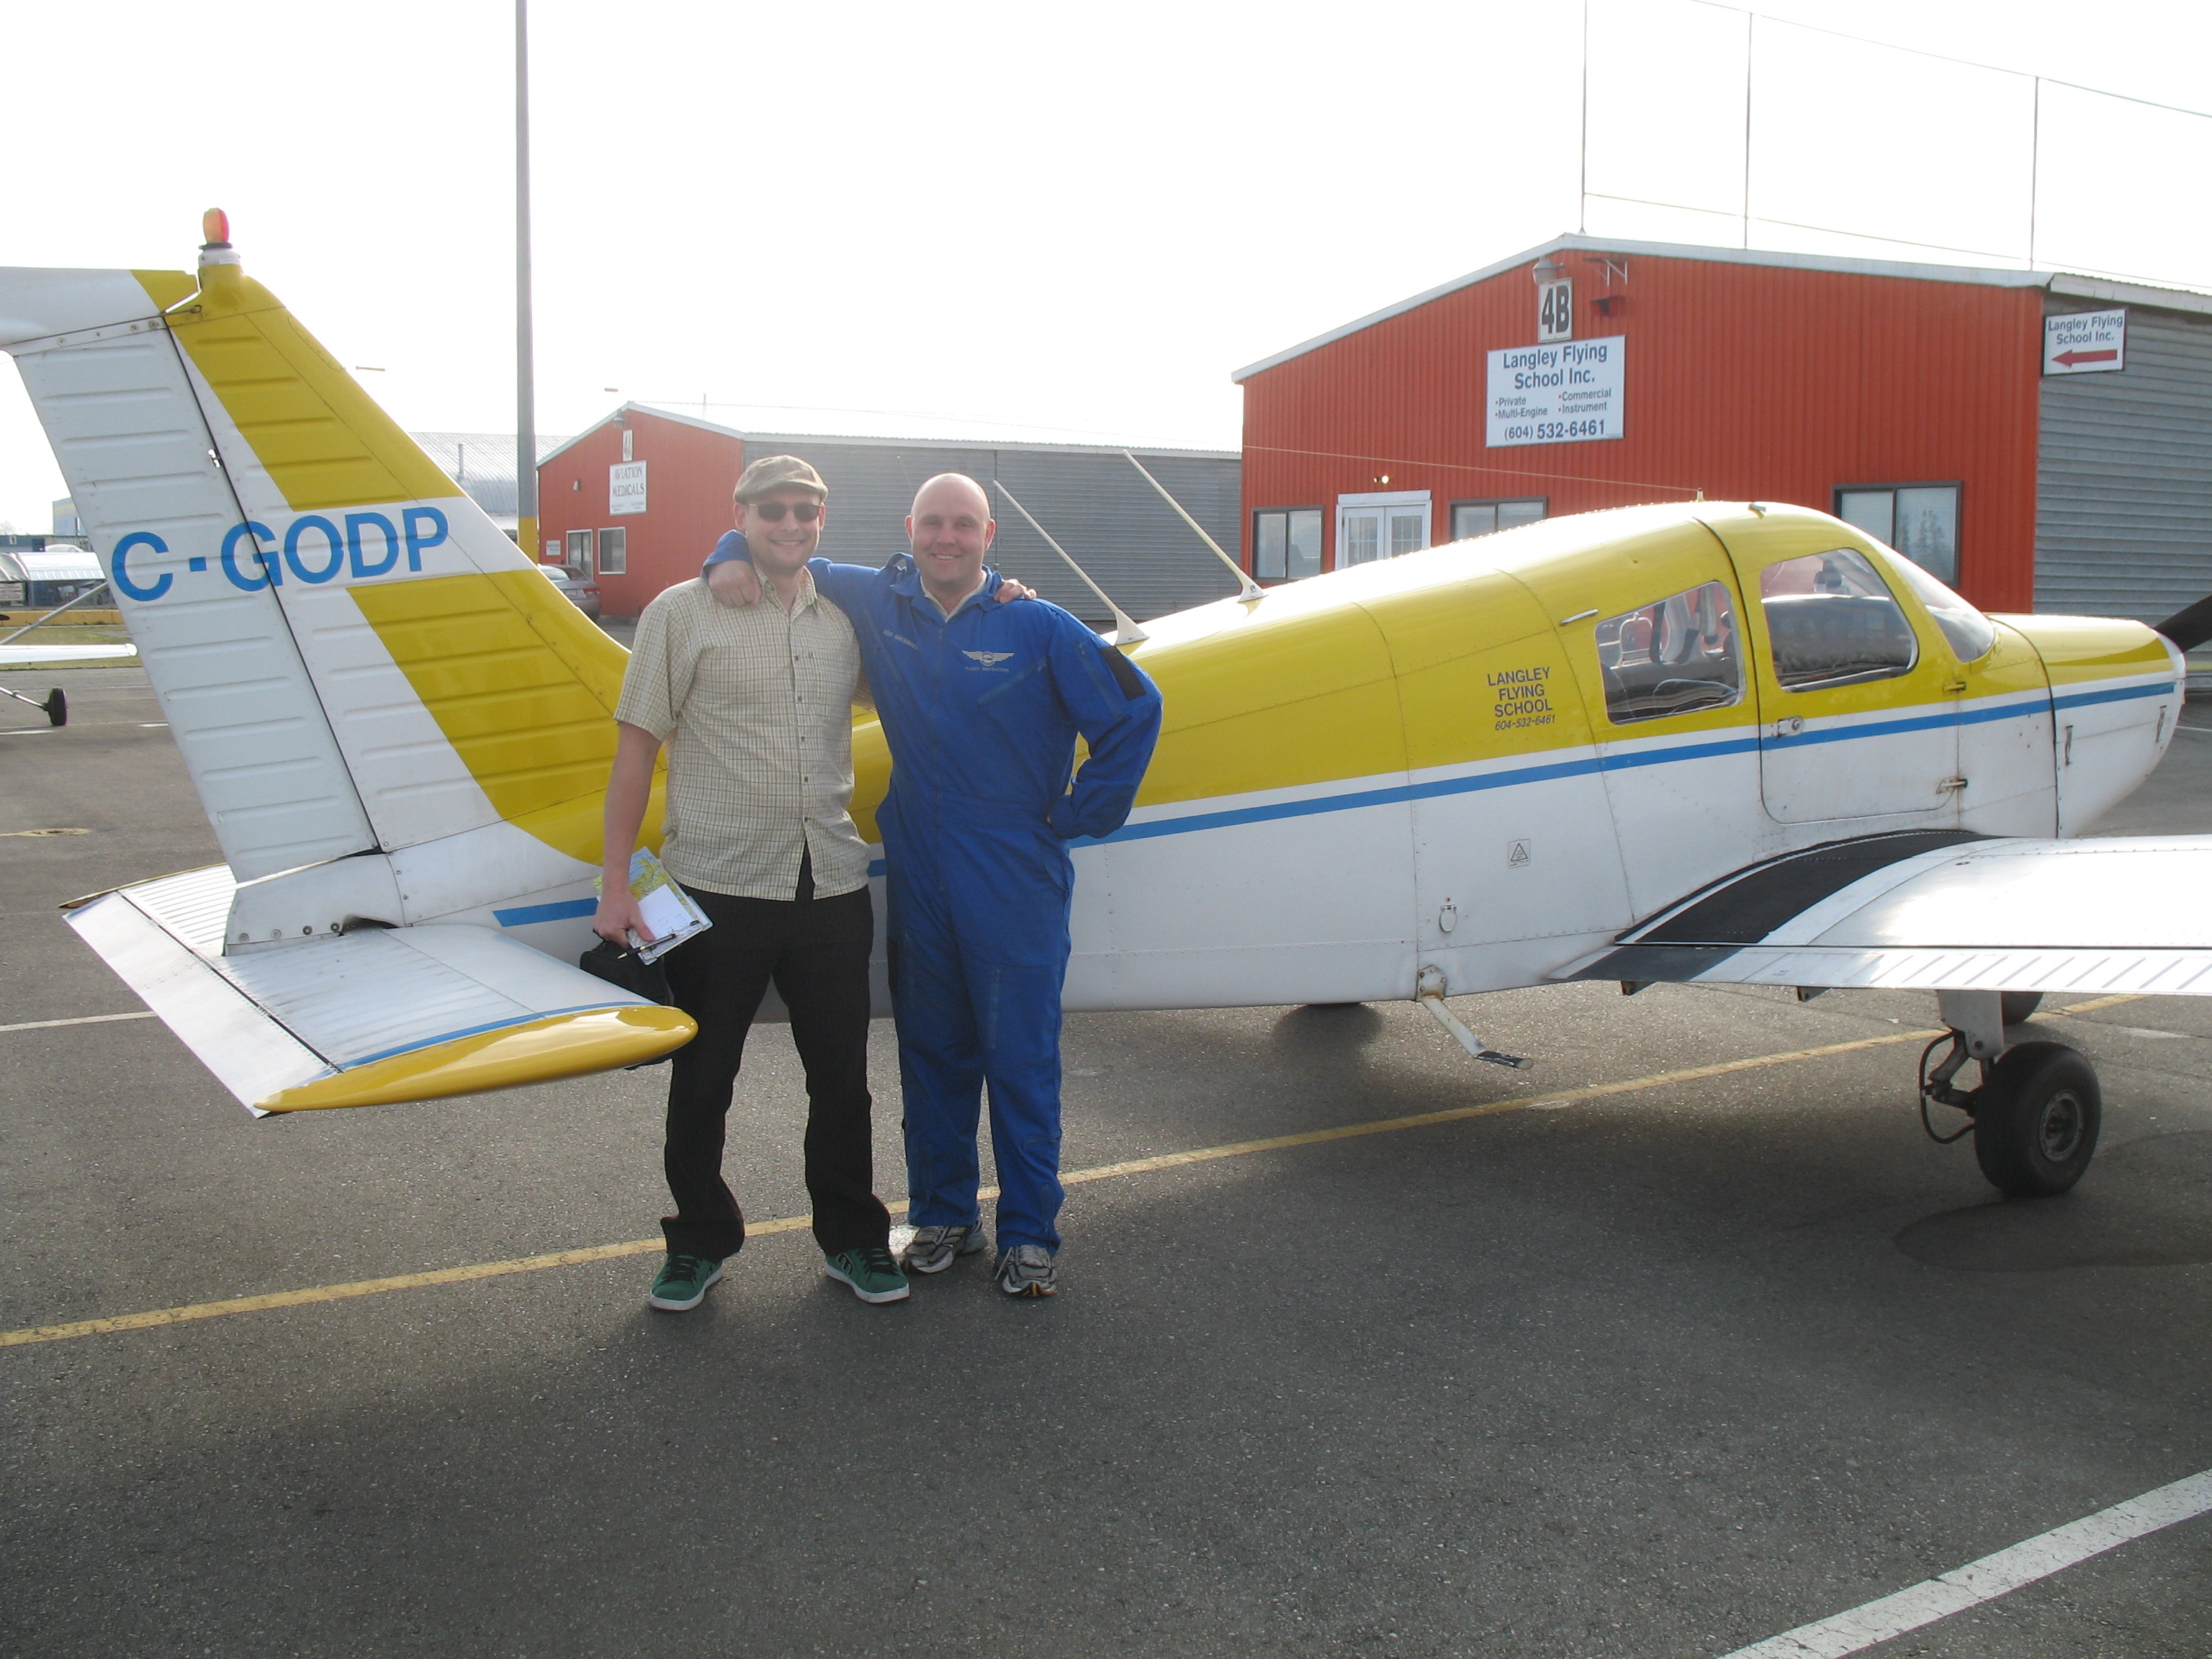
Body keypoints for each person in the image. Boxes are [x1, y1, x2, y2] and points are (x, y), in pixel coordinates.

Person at [704, 473, 1163, 1297]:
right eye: (932, 524)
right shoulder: (879, 601)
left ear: (990, 538)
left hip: (1013, 876)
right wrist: (726, 550)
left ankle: (1030, 1232)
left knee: (1020, 1061)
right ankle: (947, 1213)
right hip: (920, 868)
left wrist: (1077, 814)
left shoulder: (1040, 624)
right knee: (931, 1052)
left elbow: (1137, 711)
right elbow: (789, 544)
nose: (945, 539)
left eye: (963, 526)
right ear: (909, 529)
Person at [598, 454, 907, 1311]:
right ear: (742, 515)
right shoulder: (680, 612)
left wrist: (1003, 595)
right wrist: (614, 885)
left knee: (842, 1080)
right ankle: (698, 1240)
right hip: (713, 884)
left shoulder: (843, 621)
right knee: (703, 1079)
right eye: (772, 511)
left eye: (807, 511)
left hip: (830, 883)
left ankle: (853, 1240)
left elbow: (929, 651)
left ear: (821, 520)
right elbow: (635, 752)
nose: (791, 525)